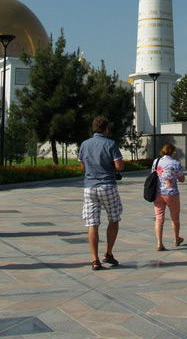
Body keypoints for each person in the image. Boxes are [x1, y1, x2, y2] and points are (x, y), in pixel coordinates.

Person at [78, 116, 125, 271]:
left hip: (89, 187)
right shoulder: (110, 144)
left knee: (92, 223)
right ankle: (108, 252)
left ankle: (94, 259)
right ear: (106, 129)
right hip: (107, 185)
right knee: (113, 217)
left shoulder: (85, 144)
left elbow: (82, 165)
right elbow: (119, 166)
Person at [152, 143, 185, 251]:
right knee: (175, 217)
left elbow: (153, 174)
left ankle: (159, 243)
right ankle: (176, 239)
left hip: (158, 193)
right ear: (171, 151)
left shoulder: (156, 162)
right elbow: (181, 178)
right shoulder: (175, 163)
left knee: (159, 219)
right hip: (172, 193)